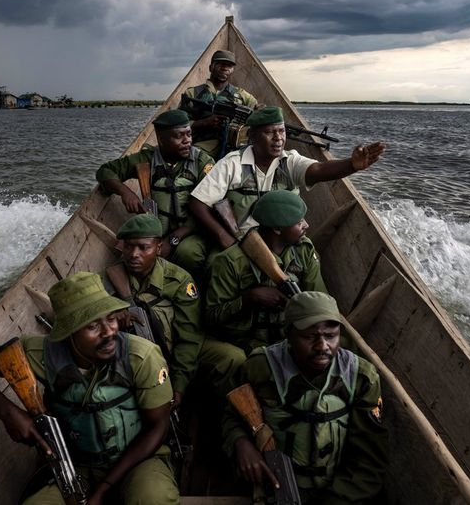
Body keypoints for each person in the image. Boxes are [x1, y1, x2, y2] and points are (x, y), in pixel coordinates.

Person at [0, 271, 179, 505]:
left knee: (154, 498)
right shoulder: (39, 354)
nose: (109, 332)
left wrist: (103, 489)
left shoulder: (140, 356)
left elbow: (158, 427)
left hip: (139, 460)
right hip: (74, 464)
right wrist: (8, 412)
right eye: (93, 326)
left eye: (111, 319)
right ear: (68, 334)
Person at [223, 291, 387, 504]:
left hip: (338, 493)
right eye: (309, 337)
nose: (322, 347)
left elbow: (368, 461)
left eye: (330, 336)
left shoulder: (360, 378)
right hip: (273, 483)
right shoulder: (261, 368)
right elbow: (230, 415)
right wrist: (241, 443)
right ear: (289, 335)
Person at [190, 105, 385, 249]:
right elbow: (198, 203)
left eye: (281, 131)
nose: (278, 138)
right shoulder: (232, 163)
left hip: (284, 241)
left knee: (307, 258)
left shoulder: (290, 160)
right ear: (252, 136)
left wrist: (351, 165)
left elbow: (318, 170)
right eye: (269, 132)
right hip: (241, 241)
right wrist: (223, 236)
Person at [107, 214, 243, 406]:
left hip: (183, 344)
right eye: (129, 246)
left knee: (233, 358)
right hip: (144, 355)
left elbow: (189, 336)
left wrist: (178, 385)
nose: (134, 254)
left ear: (158, 248)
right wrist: (111, 317)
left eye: (143, 247)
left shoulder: (178, 280)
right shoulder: (112, 279)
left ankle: (215, 412)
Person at [204, 190, 328, 354]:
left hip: (288, 335)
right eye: (298, 223)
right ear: (277, 229)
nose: (306, 225)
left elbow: (319, 297)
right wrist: (249, 299)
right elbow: (211, 317)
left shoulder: (303, 249)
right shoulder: (230, 261)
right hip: (245, 341)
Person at [96, 109, 214, 279]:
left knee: (188, 254)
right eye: (179, 136)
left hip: (191, 231)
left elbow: (208, 208)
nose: (187, 140)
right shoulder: (147, 159)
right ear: (161, 139)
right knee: (130, 255)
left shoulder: (202, 162)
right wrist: (125, 192)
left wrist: (173, 239)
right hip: (157, 230)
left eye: (189, 134)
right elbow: (105, 171)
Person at [180, 49, 259, 159]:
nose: (225, 68)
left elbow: (258, 109)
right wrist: (204, 123)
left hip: (233, 148)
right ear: (211, 67)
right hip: (202, 147)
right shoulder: (193, 93)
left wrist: (260, 109)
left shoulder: (241, 95)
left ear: (232, 70)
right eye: (221, 64)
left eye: (229, 66)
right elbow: (178, 126)